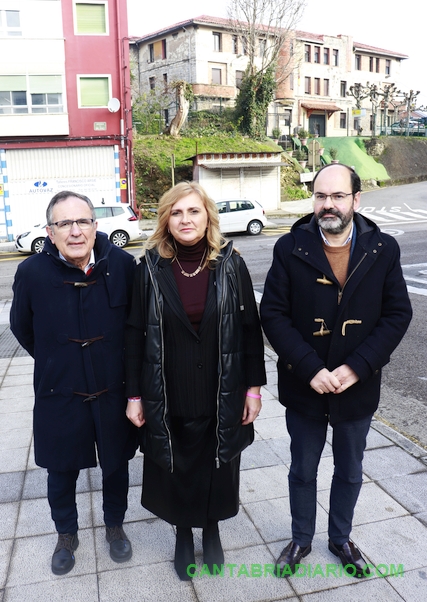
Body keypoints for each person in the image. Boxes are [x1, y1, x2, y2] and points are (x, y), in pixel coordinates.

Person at [260, 164, 412, 578]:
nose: (328, 204)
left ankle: (340, 537)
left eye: (338, 196)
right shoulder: (290, 247)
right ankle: (301, 538)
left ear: (356, 200)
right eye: (321, 196)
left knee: (349, 469)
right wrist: (309, 368)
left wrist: (358, 366)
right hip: (305, 386)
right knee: (302, 469)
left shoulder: (383, 249)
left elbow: (398, 314)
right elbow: (272, 314)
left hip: (357, 388)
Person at [125, 181, 266, 580]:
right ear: (166, 219)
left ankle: (212, 528)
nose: (185, 219)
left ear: (208, 218)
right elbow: (135, 333)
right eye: (177, 212)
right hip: (167, 389)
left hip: (221, 386)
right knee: (177, 465)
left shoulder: (230, 262)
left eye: (194, 211)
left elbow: (249, 328)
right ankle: (183, 532)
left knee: (217, 463)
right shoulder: (149, 267)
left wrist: (253, 388)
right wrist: (134, 394)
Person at [10, 191, 137, 576]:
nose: (75, 231)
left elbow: (135, 329)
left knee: (116, 463)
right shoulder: (31, 273)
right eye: (64, 223)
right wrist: (55, 360)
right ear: (50, 232)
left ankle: (114, 524)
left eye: (82, 221)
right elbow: (21, 327)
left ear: (96, 226)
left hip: (112, 389)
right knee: (60, 468)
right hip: (59, 390)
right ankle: (66, 533)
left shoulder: (123, 265)